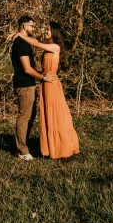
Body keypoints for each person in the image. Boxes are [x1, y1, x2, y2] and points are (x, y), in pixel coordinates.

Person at [11, 20, 79, 160]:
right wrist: (16, 34)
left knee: (55, 113)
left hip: (50, 81)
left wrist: (18, 34)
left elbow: (35, 43)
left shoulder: (55, 47)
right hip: (45, 82)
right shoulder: (48, 44)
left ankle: (61, 146)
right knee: (48, 113)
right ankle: (50, 146)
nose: (44, 30)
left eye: (47, 29)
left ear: (53, 31)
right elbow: (34, 40)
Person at [10, 15, 56, 161]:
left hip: (28, 84)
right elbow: (27, 69)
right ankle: (22, 151)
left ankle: (24, 145)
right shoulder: (21, 44)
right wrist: (42, 77)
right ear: (24, 26)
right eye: (31, 26)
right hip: (24, 84)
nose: (33, 29)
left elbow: (37, 43)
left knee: (30, 116)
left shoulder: (23, 41)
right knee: (24, 117)